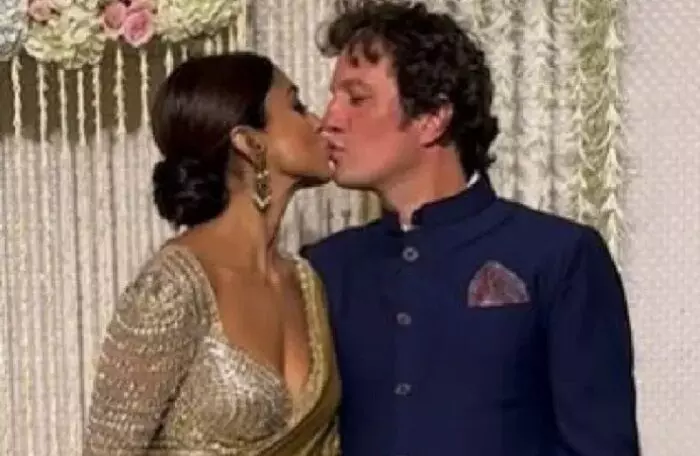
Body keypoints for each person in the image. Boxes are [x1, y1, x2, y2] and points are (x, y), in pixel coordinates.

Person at [302, 1, 640, 455]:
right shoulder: (325, 267)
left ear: (431, 118)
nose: (330, 120)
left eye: (356, 98)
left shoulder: (557, 255)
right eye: (333, 97)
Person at [83, 52, 340, 455]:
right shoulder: (174, 285)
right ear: (250, 142)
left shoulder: (306, 282)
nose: (318, 121)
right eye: (297, 105)